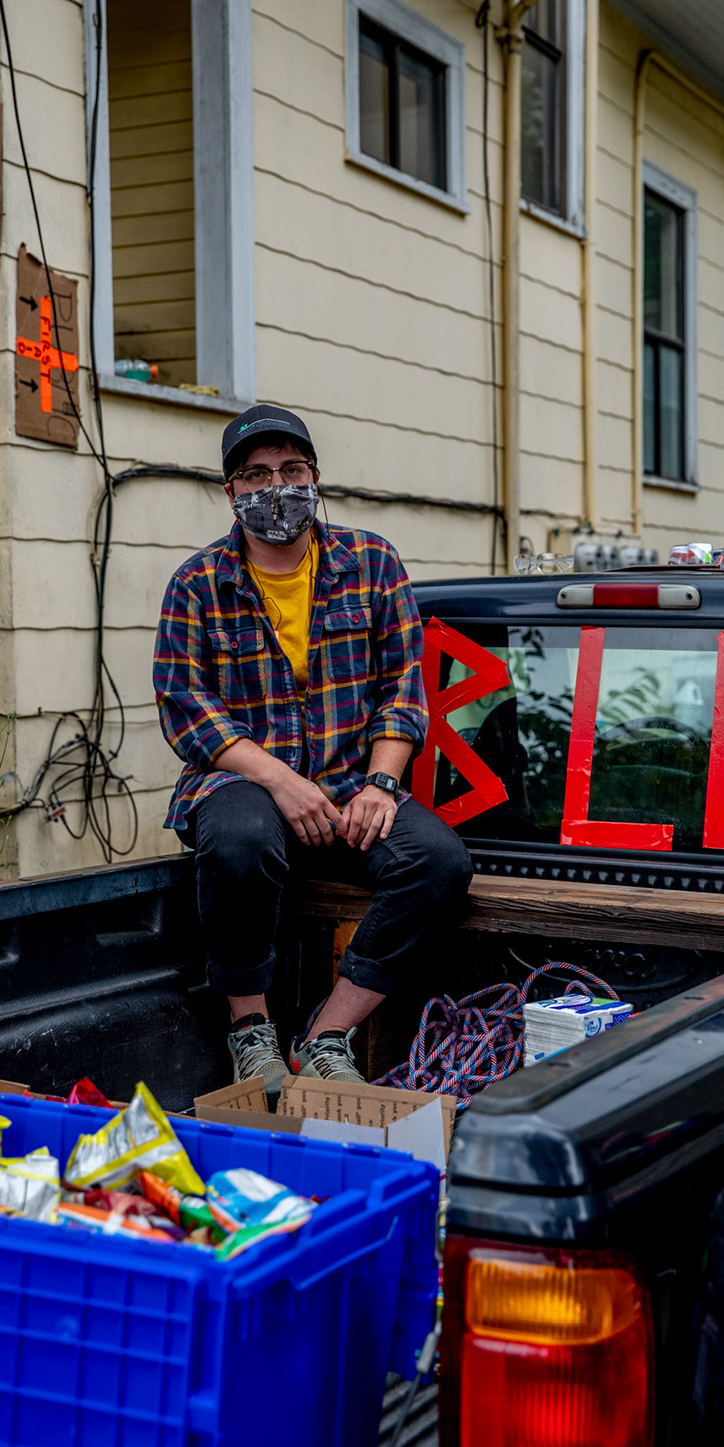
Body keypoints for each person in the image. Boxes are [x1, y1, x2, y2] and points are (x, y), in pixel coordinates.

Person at [152, 403, 470, 1097]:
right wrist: (281, 782)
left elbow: (403, 687)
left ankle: (326, 1035)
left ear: (315, 477)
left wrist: (382, 783)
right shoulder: (198, 584)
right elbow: (185, 707)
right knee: (238, 841)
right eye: (256, 475)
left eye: (291, 470)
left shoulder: (372, 562)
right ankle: (250, 1032)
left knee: (439, 862)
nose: (276, 488)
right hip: (242, 785)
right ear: (229, 491)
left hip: (353, 782)